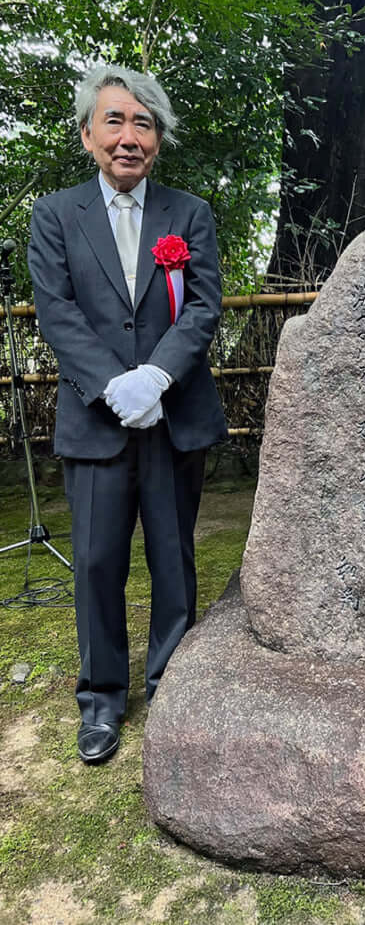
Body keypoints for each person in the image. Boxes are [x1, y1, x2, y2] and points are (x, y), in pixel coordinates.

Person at [27, 65, 227, 764]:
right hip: (96, 419)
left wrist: (157, 376)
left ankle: (172, 686)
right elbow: (57, 311)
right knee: (96, 561)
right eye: (115, 120)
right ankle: (103, 699)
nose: (129, 136)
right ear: (88, 134)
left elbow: (202, 304)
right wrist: (117, 386)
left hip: (175, 419)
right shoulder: (55, 216)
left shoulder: (189, 214)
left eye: (144, 123)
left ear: (158, 141)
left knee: (174, 557)